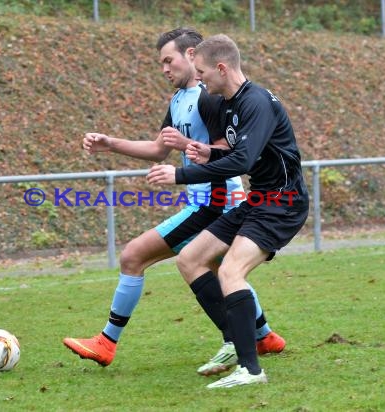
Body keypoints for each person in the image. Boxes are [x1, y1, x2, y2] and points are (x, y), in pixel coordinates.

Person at [63, 28, 285, 375]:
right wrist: (111, 144)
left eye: (169, 60)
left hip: (217, 200)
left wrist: (184, 153)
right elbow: (158, 148)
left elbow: (229, 150)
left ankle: (107, 342)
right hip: (204, 200)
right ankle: (263, 336)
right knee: (219, 270)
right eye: (161, 63)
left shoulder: (211, 97)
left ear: (192, 54)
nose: (165, 69)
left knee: (135, 255)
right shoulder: (178, 100)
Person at [147, 34, 309, 388]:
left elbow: (244, 159)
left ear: (221, 68)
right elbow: (239, 153)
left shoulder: (256, 103)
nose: (200, 78)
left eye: (203, 72)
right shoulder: (229, 103)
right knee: (190, 259)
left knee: (231, 272)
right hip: (259, 200)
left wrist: (181, 174)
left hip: (282, 202)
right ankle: (236, 341)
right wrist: (209, 153)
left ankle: (250, 370)